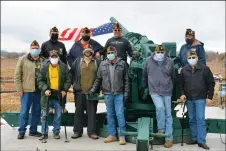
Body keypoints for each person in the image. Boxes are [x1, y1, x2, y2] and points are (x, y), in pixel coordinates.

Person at [88, 46, 130, 145]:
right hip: (107, 93)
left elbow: (126, 79)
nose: (110, 54)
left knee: (120, 114)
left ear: (115, 53)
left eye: (112, 52)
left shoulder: (122, 64)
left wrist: (126, 92)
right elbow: (98, 79)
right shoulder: (102, 64)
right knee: (110, 114)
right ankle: (112, 135)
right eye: (108, 52)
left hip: (118, 93)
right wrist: (93, 90)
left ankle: (122, 136)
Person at [179, 50, 215, 150]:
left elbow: (211, 83)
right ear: (187, 59)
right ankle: (194, 138)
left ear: (197, 58)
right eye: (189, 58)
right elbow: (180, 84)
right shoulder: (184, 70)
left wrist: (210, 97)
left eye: (193, 57)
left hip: (200, 98)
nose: (191, 59)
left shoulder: (205, 69)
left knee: (200, 119)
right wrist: (182, 94)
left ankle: (201, 141)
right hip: (189, 98)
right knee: (192, 119)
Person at [142, 45, 175, 148]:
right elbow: (144, 75)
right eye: (158, 52)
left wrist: (170, 87)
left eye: (162, 52)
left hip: (167, 90)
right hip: (154, 90)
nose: (160, 54)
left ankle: (169, 138)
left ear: (164, 52)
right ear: (154, 52)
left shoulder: (170, 62)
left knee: (168, 113)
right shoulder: (148, 61)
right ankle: (161, 129)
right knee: (160, 108)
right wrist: (145, 88)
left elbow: (173, 76)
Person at [37, 50, 72, 139]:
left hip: (59, 95)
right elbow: (40, 80)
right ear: (49, 58)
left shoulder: (64, 67)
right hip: (47, 94)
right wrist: (45, 89)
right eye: (52, 57)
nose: (54, 58)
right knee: (44, 115)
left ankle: (56, 131)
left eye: (55, 57)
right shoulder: (44, 67)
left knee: (58, 115)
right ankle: (44, 132)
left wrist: (64, 89)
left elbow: (69, 79)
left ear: (58, 58)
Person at [14, 40, 44, 139]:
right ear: (30, 49)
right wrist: (19, 89)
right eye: (33, 48)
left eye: (37, 48)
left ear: (39, 49)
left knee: (36, 112)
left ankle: (33, 130)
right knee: (24, 112)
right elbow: (17, 75)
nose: (35, 50)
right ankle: (21, 131)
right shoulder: (23, 59)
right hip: (26, 90)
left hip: (38, 91)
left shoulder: (43, 60)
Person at [70, 46, 101, 140]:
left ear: (92, 52)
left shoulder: (97, 62)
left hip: (92, 93)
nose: (88, 53)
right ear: (84, 52)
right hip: (79, 92)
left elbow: (99, 77)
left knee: (91, 113)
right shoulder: (77, 62)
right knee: (78, 112)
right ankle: (77, 131)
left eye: (90, 51)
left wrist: (96, 89)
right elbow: (71, 73)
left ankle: (91, 132)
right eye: (86, 51)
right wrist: (75, 85)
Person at [40, 26, 68, 113]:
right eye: (53, 34)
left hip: (60, 69)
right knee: (50, 88)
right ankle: (50, 107)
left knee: (61, 88)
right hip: (49, 69)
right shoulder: (45, 45)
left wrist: (65, 69)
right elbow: (41, 56)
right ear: (49, 34)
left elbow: (64, 57)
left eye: (56, 34)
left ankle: (62, 106)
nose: (54, 35)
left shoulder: (61, 45)